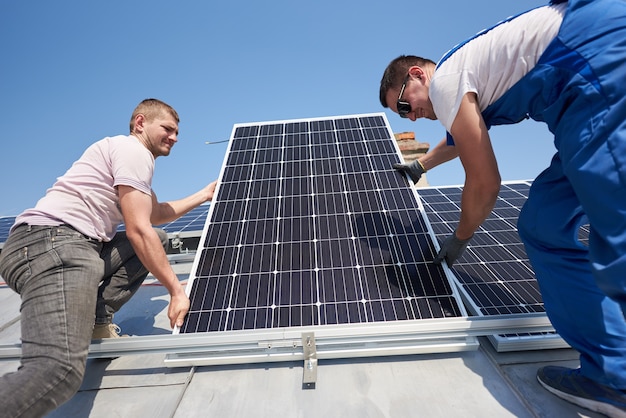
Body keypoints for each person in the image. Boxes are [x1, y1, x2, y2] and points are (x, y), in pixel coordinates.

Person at [380, 0, 626, 416]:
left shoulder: (448, 80)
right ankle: (610, 374)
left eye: (405, 105)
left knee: (617, 233)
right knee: (542, 224)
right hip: (576, 99)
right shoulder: (467, 81)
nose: (413, 117)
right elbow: (460, 140)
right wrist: (420, 164)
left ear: (417, 75)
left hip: (595, 63)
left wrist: (460, 237)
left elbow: (485, 183)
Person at [0, 98, 217, 417]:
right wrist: (176, 291)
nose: (174, 137)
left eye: (176, 132)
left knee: (156, 239)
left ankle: (97, 321)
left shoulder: (128, 159)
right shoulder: (134, 152)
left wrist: (204, 194)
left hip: (60, 245)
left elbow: (154, 217)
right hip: (54, 244)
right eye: (168, 129)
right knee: (57, 370)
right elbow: (137, 230)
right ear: (141, 123)